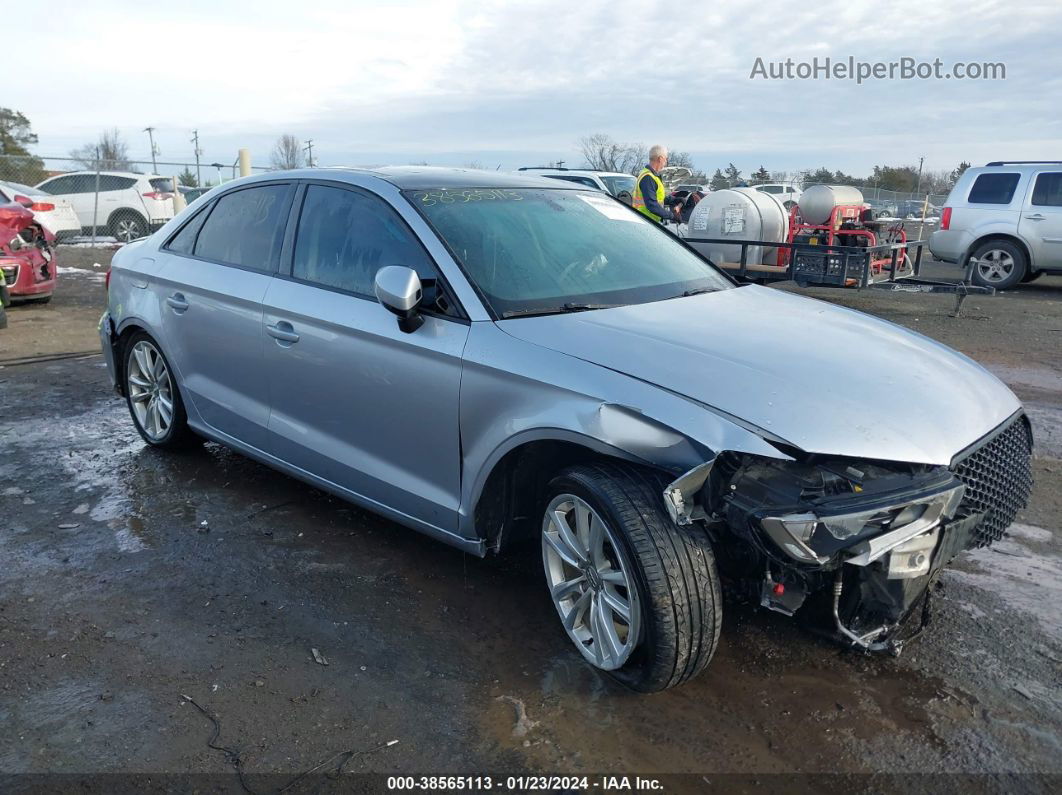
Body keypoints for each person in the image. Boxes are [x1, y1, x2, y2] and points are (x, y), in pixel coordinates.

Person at [632, 145, 684, 223]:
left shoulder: (652, 176)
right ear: (660, 159)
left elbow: (658, 198)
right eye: (666, 159)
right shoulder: (648, 178)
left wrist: (675, 200)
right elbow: (652, 205)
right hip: (645, 221)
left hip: (648, 221)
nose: (666, 162)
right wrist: (672, 216)